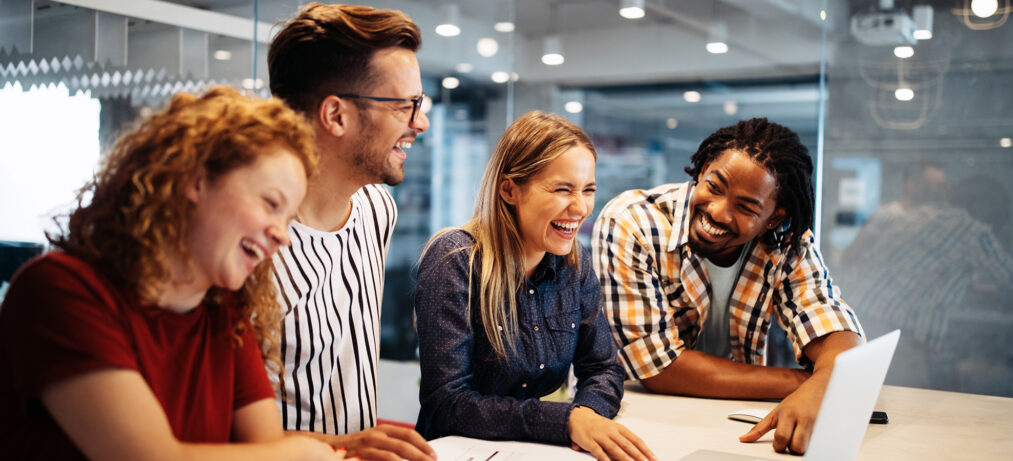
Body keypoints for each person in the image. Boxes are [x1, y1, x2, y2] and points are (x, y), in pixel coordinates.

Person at [0, 87, 343, 460]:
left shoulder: (223, 313)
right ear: (196, 180)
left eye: (288, 219)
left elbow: (263, 447)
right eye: (270, 203)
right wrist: (300, 454)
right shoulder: (59, 289)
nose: (282, 235)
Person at [592, 118, 864, 455]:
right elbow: (660, 369)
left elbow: (833, 324)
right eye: (715, 186)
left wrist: (825, 382)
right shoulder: (632, 222)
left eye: (746, 207)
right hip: (635, 420)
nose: (719, 212)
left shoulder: (786, 242)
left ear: (774, 218)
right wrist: (813, 383)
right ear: (704, 168)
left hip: (734, 417)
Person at [415, 111, 656, 461]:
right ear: (509, 190)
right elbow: (446, 402)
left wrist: (586, 416)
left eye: (588, 190)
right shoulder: (455, 259)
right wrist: (565, 421)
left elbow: (603, 369)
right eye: (562, 189)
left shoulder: (575, 263)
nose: (580, 207)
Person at [266, 3, 435, 460]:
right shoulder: (253, 246)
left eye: (421, 104)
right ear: (336, 115)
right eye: (406, 105)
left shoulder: (377, 208)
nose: (420, 122)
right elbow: (214, 428)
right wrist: (338, 446)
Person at [841, 162, 1013, 393]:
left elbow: (923, 272)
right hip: (902, 335)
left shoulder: (914, 215)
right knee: (907, 407)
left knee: (863, 399)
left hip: (862, 320)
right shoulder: (973, 231)